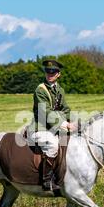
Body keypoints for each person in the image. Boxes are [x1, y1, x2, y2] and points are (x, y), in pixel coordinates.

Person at [27, 59, 77, 191]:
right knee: (53, 145)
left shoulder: (59, 90)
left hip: (54, 127)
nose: (50, 74)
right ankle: (46, 181)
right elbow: (46, 113)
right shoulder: (40, 90)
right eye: (47, 71)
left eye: (53, 72)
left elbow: (65, 109)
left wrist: (72, 121)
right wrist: (64, 123)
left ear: (58, 74)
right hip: (40, 128)